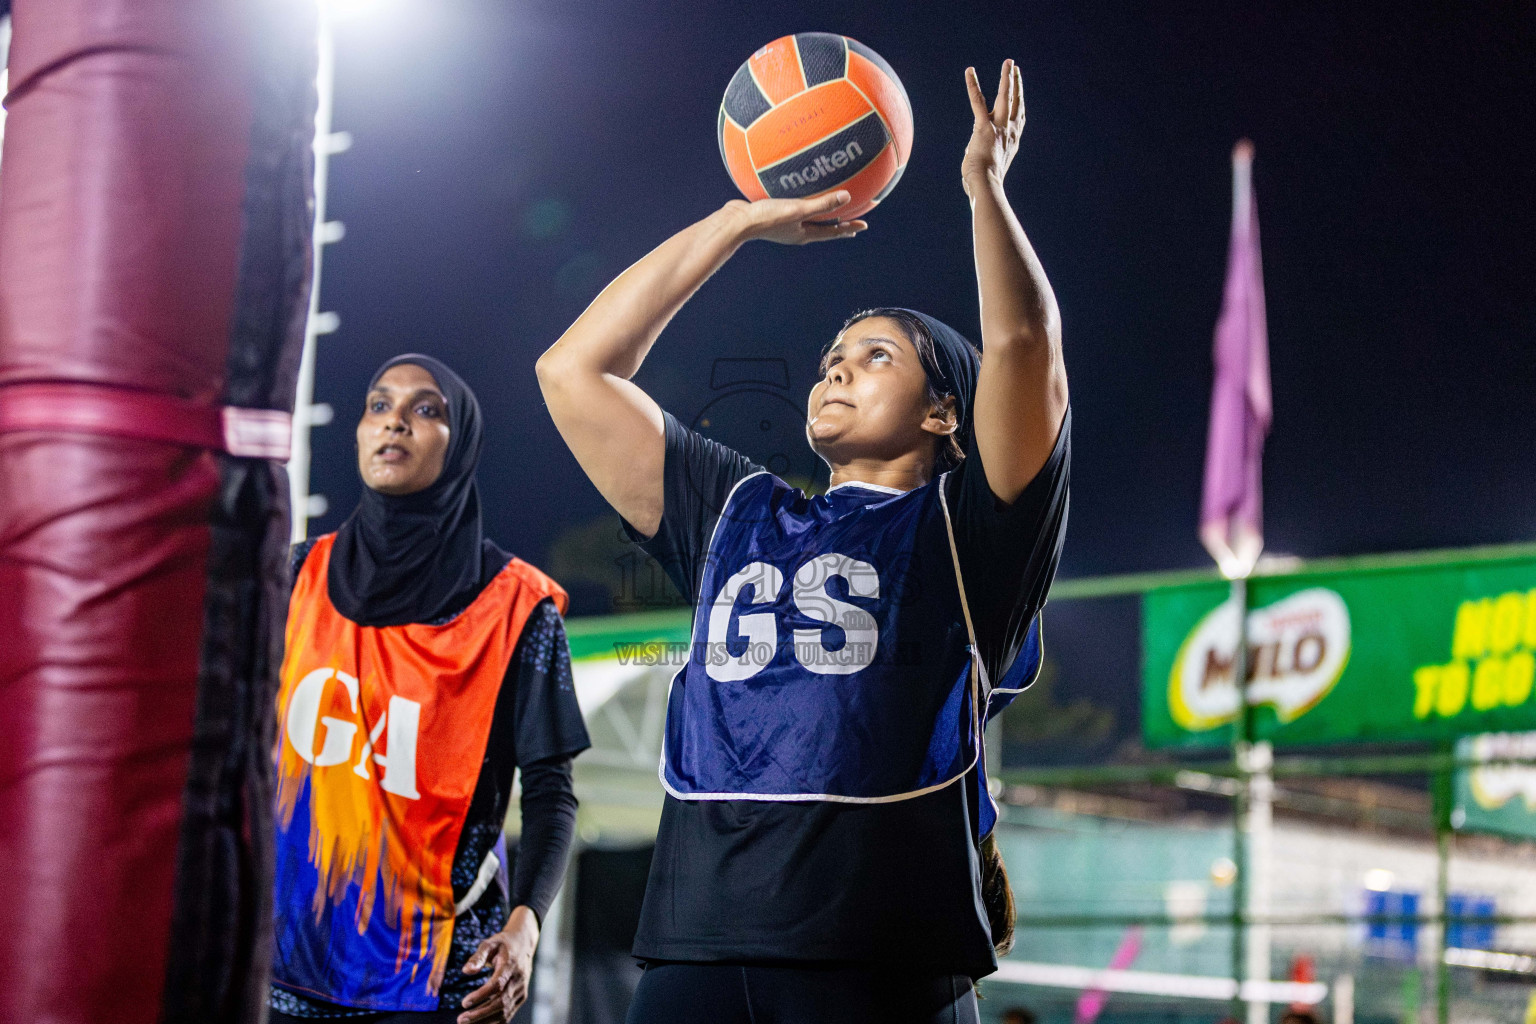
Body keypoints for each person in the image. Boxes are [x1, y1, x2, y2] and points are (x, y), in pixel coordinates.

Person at [537, 60, 1068, 1024]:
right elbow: (573, 371)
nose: (837, 369)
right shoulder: (738, 511)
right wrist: (739, 221)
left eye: (876, 355)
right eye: (830, 357)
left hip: (884, 964)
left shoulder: (970, 535)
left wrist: (984, 189)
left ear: (949, 410)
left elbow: (1026, 347)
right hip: (695, 952)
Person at [269, 355, 590, 1024]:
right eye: (379, 405)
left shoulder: (516, 607)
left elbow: (553, 794)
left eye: (426, 409)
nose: (395, 423)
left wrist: (527, 929)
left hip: (440, 980)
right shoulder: (296, 574)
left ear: (460, 441)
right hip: (287, 970)